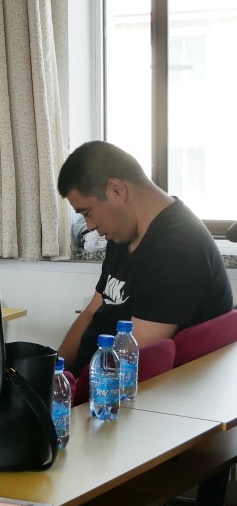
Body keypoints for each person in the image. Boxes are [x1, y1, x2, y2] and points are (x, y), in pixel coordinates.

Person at [57, 141, 233, 376]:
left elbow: (132, 363)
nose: (90, 226)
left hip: (124, 389)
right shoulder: (122, 233)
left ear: (117, 189)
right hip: (90, 379)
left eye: (88, 212)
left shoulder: (178, 248)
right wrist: (54, 372)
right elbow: (92, 312)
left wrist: (71, 391)